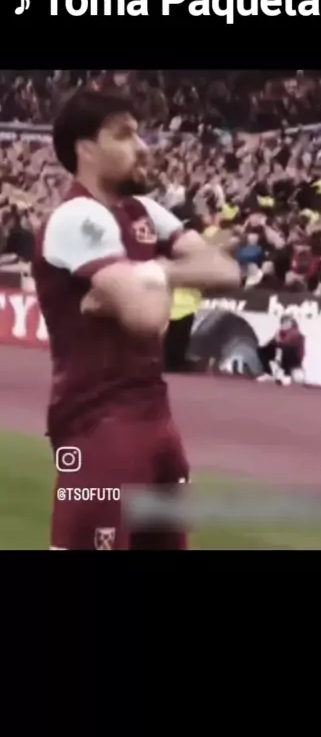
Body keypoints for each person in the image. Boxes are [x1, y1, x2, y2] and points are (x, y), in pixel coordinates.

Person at [33, 90, 240, 551]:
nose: (143, 146)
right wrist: (162, 277)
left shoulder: (143, 211)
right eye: (124, 135)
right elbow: (147, 318)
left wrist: (149, 273)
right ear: (86, 149)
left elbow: (227, 271)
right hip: (95, 429)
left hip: (156, 423)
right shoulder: (76, 218)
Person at [257, 315, 305, 386]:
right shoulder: (280, 332)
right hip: (281, 353)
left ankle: (287, 375)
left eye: (287, 322)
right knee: (262, 351)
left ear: (292, 323)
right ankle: (268, 373)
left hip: (294, 357)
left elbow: (285, 343)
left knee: (287, 350)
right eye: (283, 322)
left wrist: (278, 340)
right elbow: (274, 342)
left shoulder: (295, 332)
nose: (285, 324)